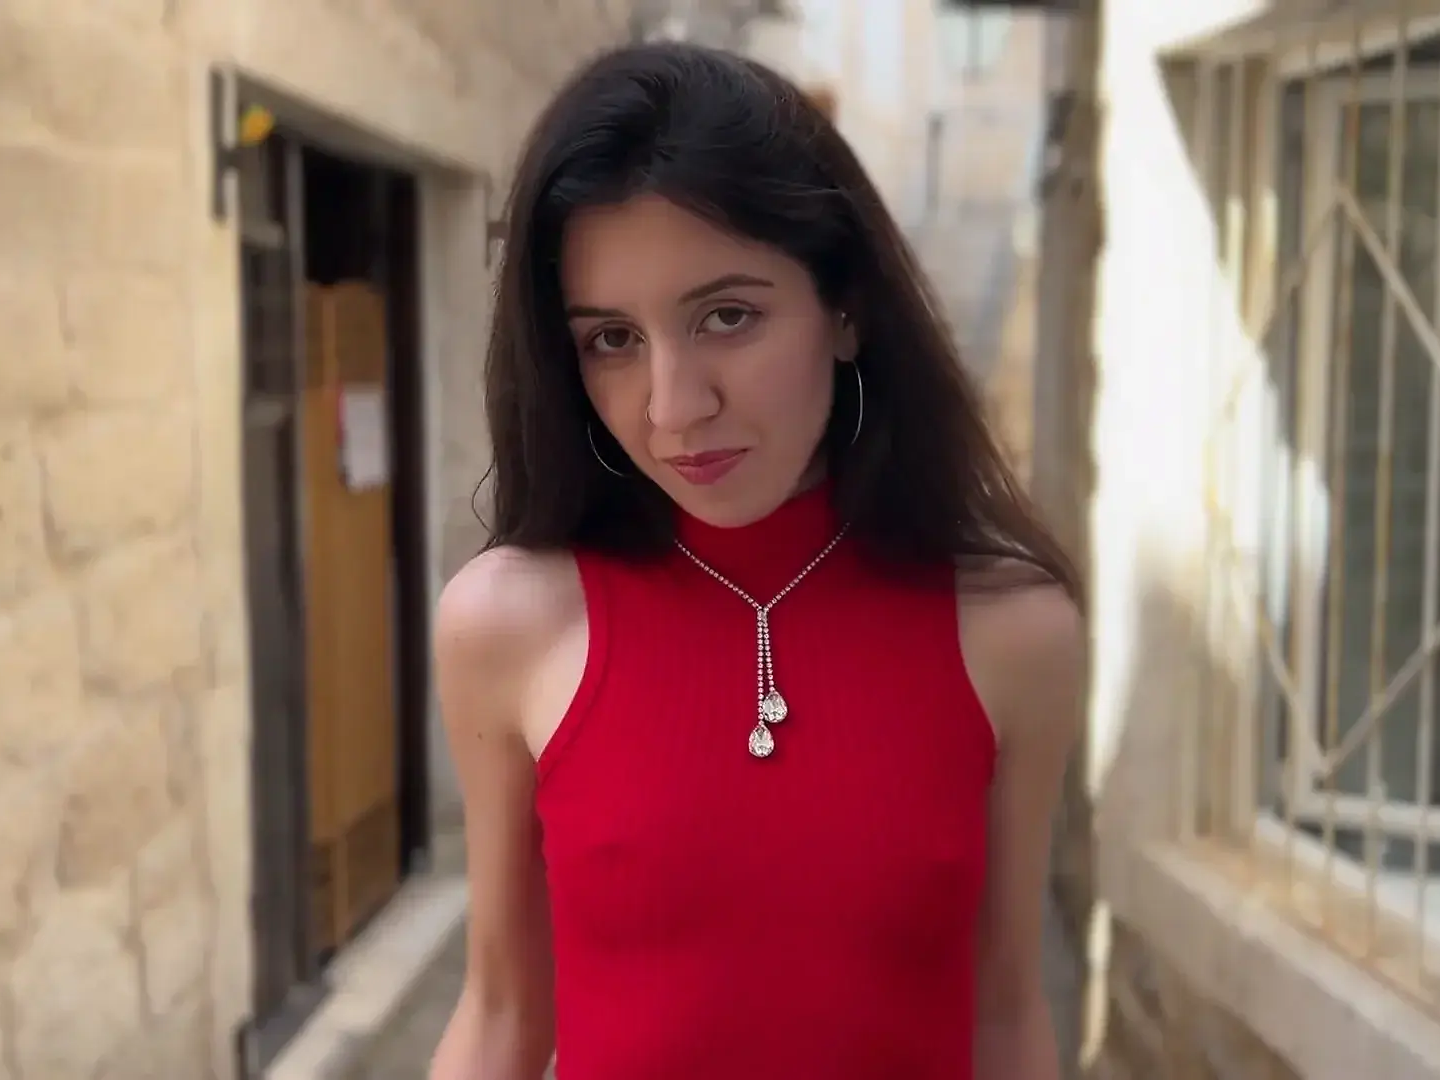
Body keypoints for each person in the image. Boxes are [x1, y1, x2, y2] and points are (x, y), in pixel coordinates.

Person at [428, 39, 1087, 1080]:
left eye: (727, 316)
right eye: (612, 339)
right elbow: (504, 1014)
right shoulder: (507, 625)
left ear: (845, 308)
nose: (673, 406)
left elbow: (1005, 1016)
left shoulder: (1016, 632)